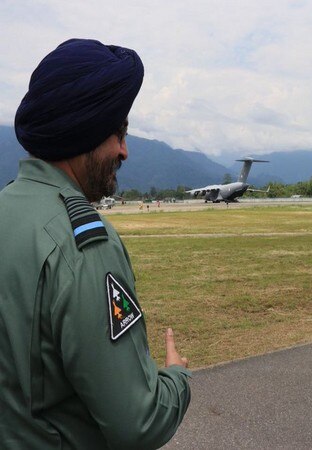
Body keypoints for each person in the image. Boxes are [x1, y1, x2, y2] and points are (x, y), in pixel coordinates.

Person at [0, 39, 191, 449]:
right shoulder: (84, 245)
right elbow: (138, 424)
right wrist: (176, 378)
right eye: (118, 133)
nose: (124, 150)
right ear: (83, 130)